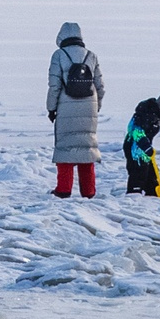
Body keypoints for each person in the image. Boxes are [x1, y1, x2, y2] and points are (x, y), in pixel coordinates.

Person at [45, 22, 105, 198]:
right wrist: (96, 107)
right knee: (86, 148)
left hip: (66, 105)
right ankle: (89, 191)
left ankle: (63, 190)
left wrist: (51, 108)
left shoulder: (59, 55)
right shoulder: (91, 56)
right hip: (89, 105)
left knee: (66, 148)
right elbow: (100, 86)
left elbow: (54, 85)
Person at [123, 90, 160, 197]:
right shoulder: (144, 112)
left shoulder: (157, 117)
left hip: (145, 150)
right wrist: (145, 146)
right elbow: (135, 129)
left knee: (150, 174)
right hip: (134, 148)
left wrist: (147, 147)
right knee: (138, 172)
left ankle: (152, 194)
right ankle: (134, 195)